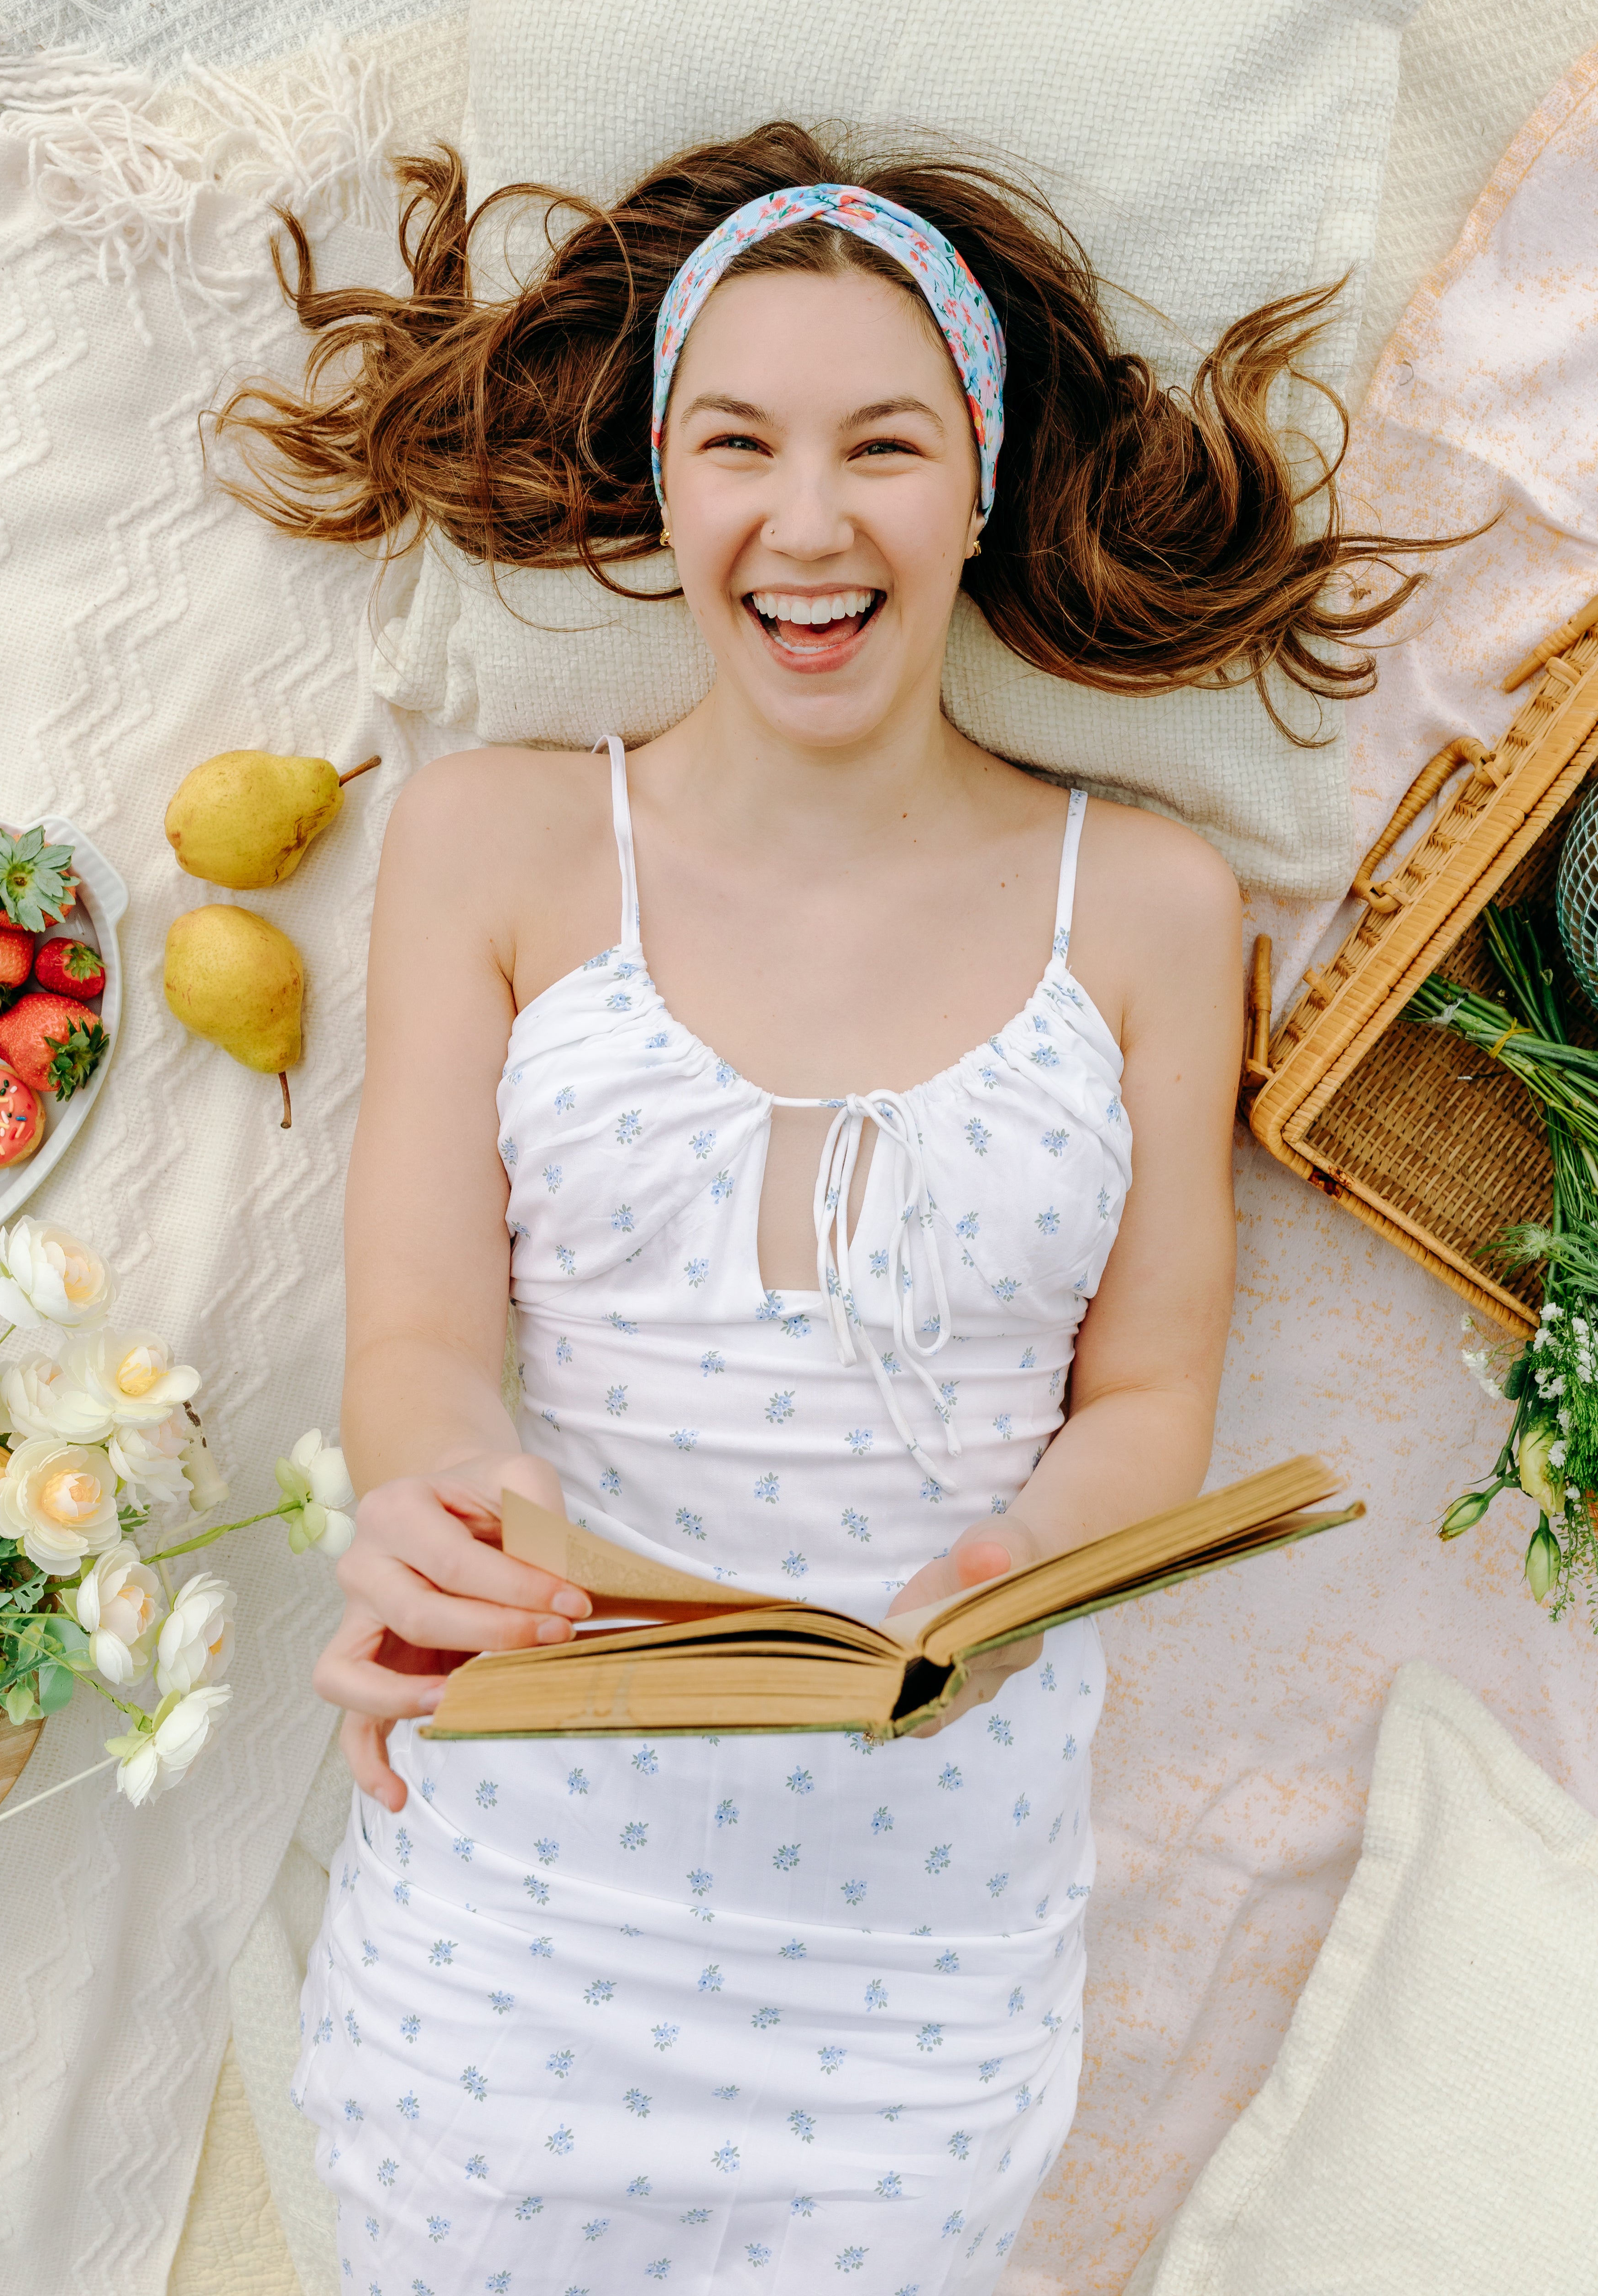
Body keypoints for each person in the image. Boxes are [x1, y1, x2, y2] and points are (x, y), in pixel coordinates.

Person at [220, 122, 1422, 2291]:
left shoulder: (1146, 903)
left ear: (978, 482)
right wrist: (449, 1502)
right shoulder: (492, 843)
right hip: (532, 1895)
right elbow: (411, 1338)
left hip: (922, 1935)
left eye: (883, 445)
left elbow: (1149, 1391)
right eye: (738, 443)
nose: (807, 521)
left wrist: (1020, 1563)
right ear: (665, 485)